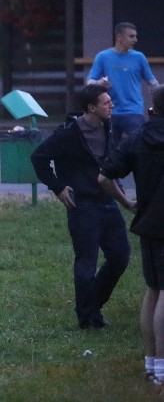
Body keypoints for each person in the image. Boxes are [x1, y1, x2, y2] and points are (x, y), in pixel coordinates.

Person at [31, 84, 130, 329]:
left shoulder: (108, 127)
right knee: (86, 261)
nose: (112, 106)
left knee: (120, 256)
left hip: (107, 201)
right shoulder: (68, 133)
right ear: (91, 108)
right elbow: (39, 157)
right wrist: (57, 186)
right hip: (83, 204)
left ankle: (90, 303)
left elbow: (109, 160)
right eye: (106, 103)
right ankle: (88, 317)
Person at [99, 86, 164, 384]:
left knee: (153, 290)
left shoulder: (138, 138)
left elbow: (104, 176)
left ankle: (153, 364)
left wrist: (128, 203)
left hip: (149, 223)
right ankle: (163, 371)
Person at [87, 22, 159, 146]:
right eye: (131, 36)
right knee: (109, 148)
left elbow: (152, 83)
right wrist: (100, 83)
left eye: (135, 36)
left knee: (139, 145)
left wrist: (159, 103)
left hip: (133, 111)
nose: (135, 40)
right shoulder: (103, 57)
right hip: (110, 111)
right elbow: (90, 82)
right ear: (119, 37)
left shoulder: (139, 57)